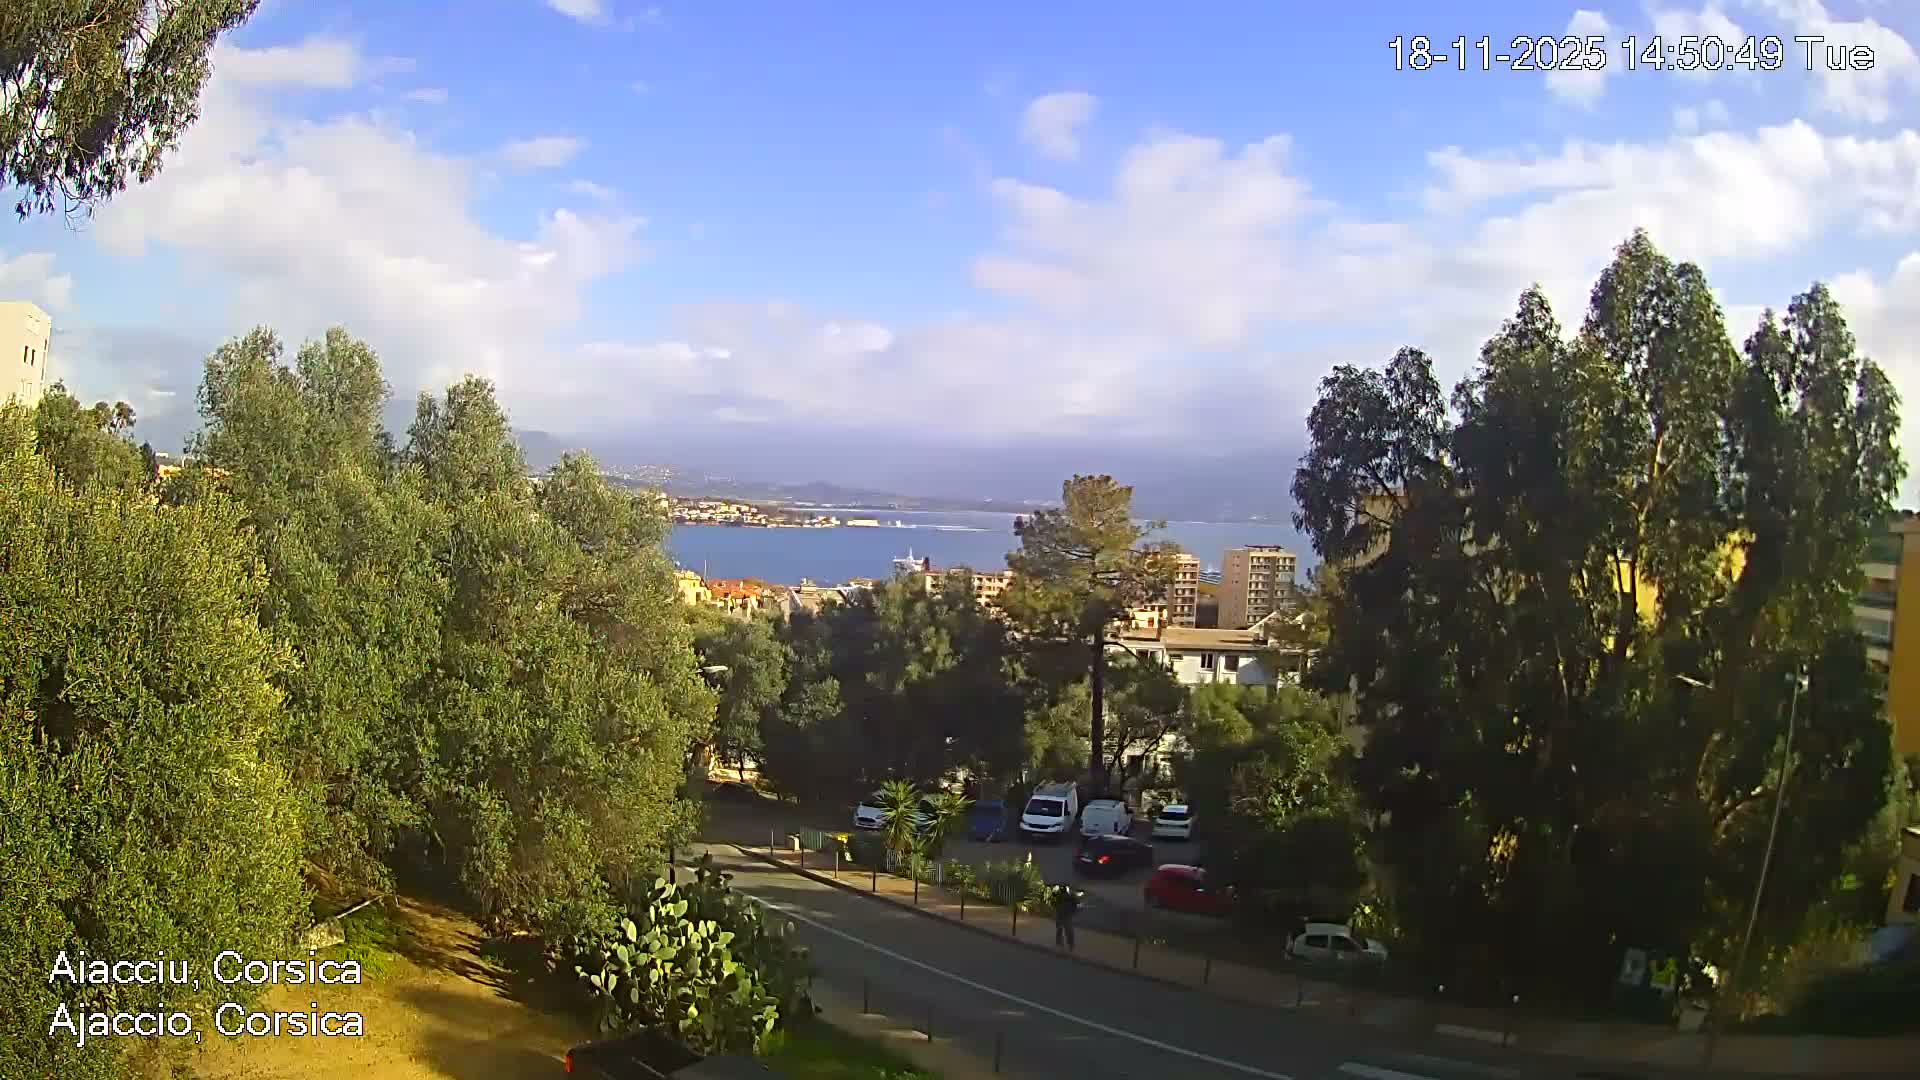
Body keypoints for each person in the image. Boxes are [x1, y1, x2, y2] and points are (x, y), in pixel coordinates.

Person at [1052, 884, 1081, 951]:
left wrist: (1073, 912)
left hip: (1065, 915)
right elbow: (1055, 902)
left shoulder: (1070, 896)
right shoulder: (1061, 895)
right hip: (1061, 914)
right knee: (1061, 929)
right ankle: (1062, 943)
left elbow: (1077, 904)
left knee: (1067, 930)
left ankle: (1069, 944)